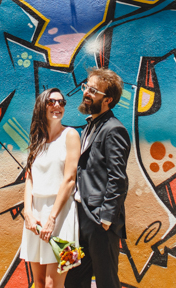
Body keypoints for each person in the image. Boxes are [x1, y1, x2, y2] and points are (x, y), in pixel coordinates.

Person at [65, 68, 130, 288]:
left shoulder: (114, 130)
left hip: (98, 221)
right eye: (86, 87)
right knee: (72, 281)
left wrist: (105, 219)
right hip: (79, 219)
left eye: (93, 90)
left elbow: (118, 179)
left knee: (106, 281)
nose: (86, 92)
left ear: (108, 99)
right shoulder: (89, 127)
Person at [21, 88, 82, 288]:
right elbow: (30, 178)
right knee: (39, 283)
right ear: (42, 106)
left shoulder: (71, 135)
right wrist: (27, 213)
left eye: (61, 102)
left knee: (52, 285)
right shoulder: (37, 139)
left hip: (62, 215)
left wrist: (52, 219)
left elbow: (70, 180)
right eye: (51, 101)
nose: (57, 106)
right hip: (36, 216)